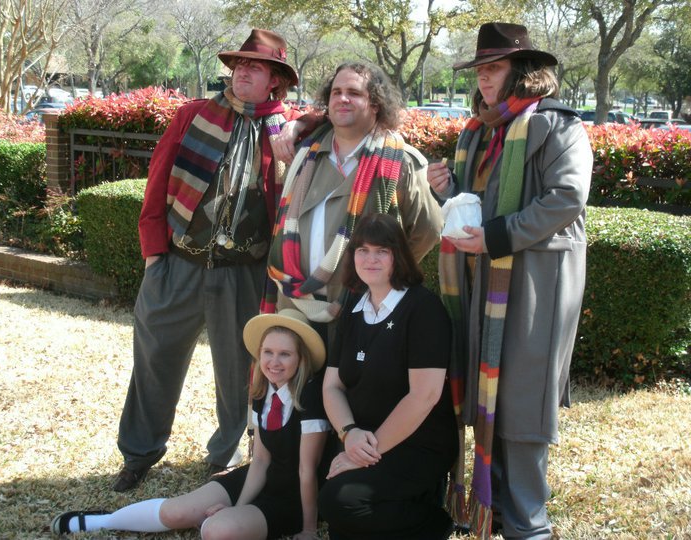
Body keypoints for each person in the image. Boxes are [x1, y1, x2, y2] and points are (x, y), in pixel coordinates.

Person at [113, 28, 304, 492]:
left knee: (241, 372)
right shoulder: (193, 116)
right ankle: (139, 453)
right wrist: (153, 257)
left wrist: (298, 128)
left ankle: (226, 456)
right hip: (178, 265)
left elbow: (336, 117)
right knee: (154, 360)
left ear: (275, 80)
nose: (242, 72)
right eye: (239, 65)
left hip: (244, 273)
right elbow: (157, 184)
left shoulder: (288, 128)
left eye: (255, 67)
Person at [427, 22, 592, 539]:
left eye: (493, 68)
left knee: (521, 401)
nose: (483, 79)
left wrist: (496, 237)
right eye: (479, 69)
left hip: (536, 284)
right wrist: (447, 191)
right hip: (482, 283)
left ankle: (528, 525)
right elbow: (479, 206)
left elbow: (566, 199)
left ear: (522, 71)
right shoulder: (479, 131)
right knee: (487, 395)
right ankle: (493, 509)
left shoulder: (558, 126)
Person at [52, 309, 331, 540]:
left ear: (301, 358)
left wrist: (309, 529)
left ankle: (230, 520)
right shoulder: (263, 391)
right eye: (268, 352)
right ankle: (104, 520)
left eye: (285, 354)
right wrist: (238, 505)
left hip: (293, 496)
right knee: (177, 512)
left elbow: (307, 470)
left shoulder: (309, 398)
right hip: (258, 479)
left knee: (215, 530)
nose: (274, 362)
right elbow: (260, 460)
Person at [263, 61, 443, 342]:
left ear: (376, 104)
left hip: (363, 307)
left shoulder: (401, 162)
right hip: (295, 304)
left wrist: (380, 271)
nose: (343, 98)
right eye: (336, 92)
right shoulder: (305, 156)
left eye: (354, 93)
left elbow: (427, 231)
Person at [318, 213, 458, 540]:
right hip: (361, 437)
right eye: (362, 250)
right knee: (335, 510)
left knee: (340, 501)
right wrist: (349, 434)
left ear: (399, 256)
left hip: (416, 444)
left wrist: (366, 453)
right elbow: (332, 386)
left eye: (382, 251)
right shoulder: (354, 307)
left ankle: (434, 524)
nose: (371, 259)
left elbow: (424, 396)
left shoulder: (423, 309)